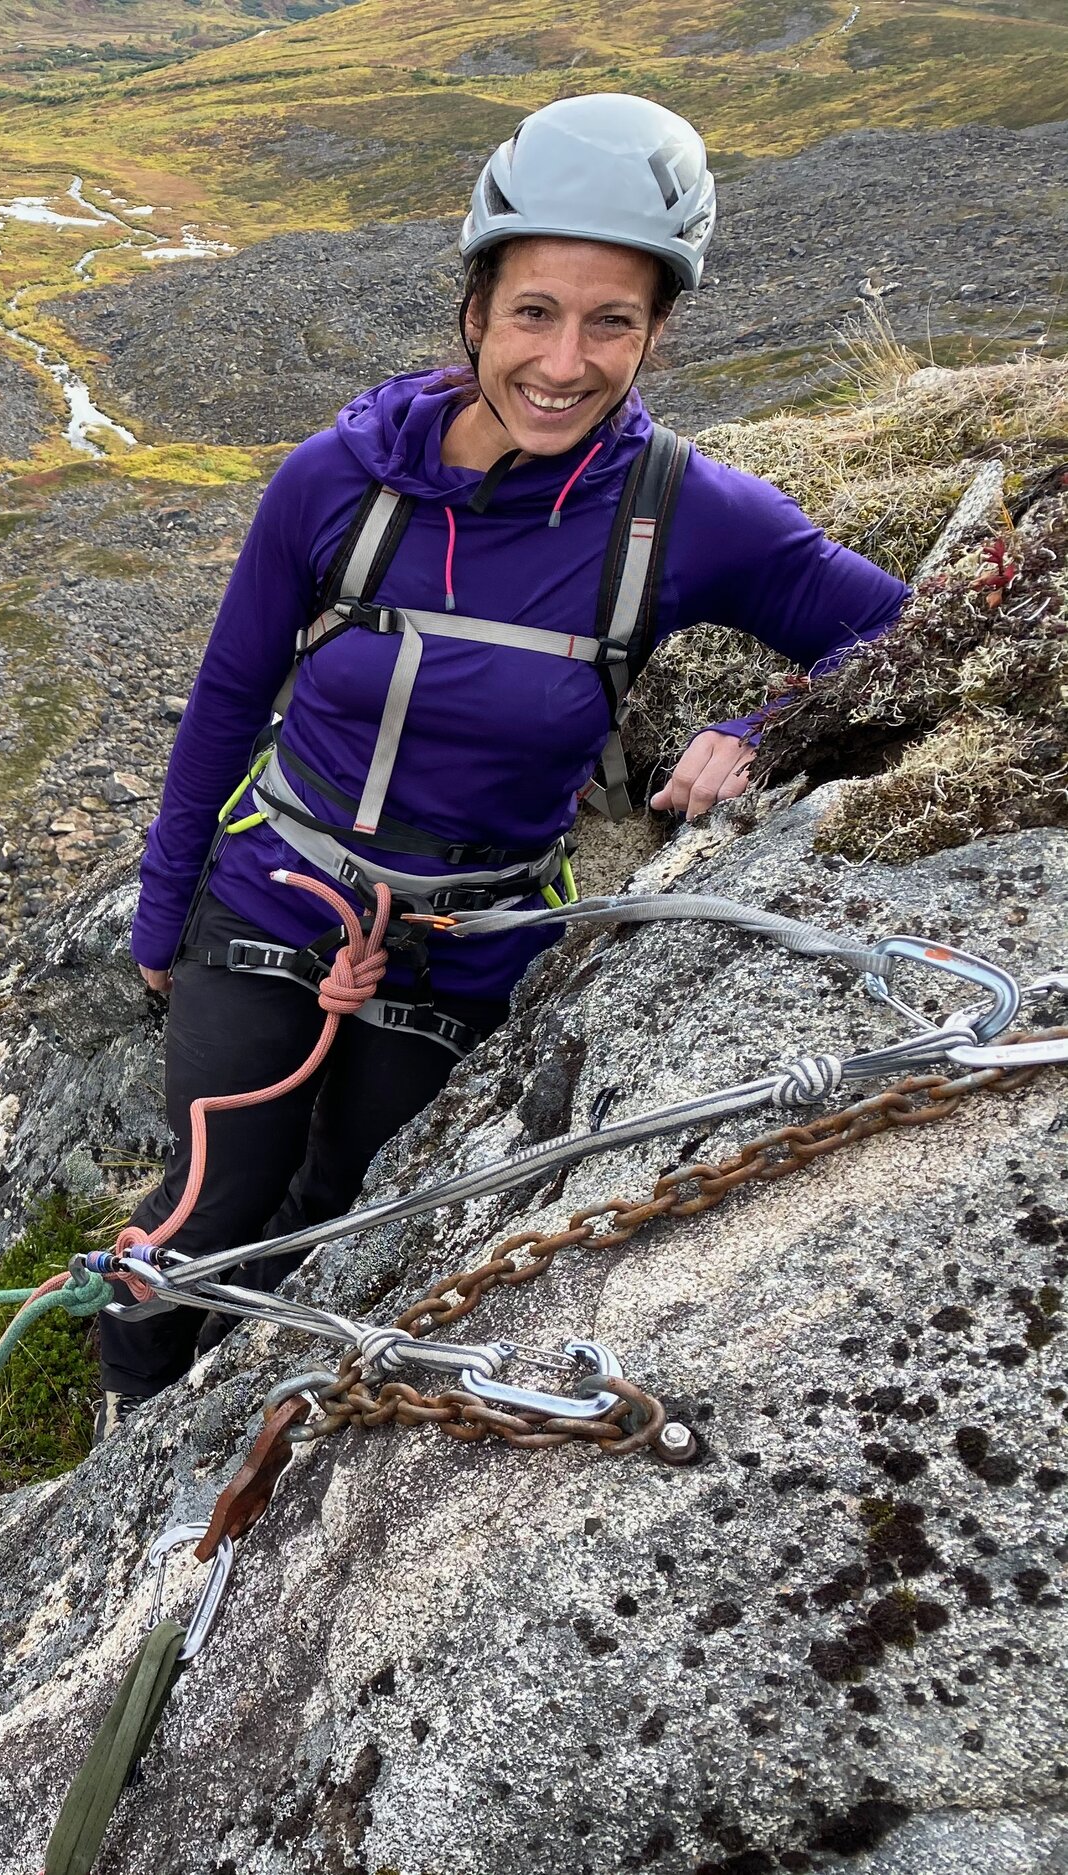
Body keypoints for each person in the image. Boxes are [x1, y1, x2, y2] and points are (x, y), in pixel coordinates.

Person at [102, 94, 909, 1420]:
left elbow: (903, 634)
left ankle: (256, 1421)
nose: (565, 360)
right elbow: (228, 695)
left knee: (353, 1215)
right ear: (474, 307)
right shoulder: (334, 482)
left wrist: (768, 726)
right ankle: (127, 1435)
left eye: (613, 322)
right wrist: (160, 900)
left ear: (658, 330)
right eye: (535, 310)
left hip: (468, 943)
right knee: (209, 1209)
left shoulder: (684, 517)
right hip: (271, 896)